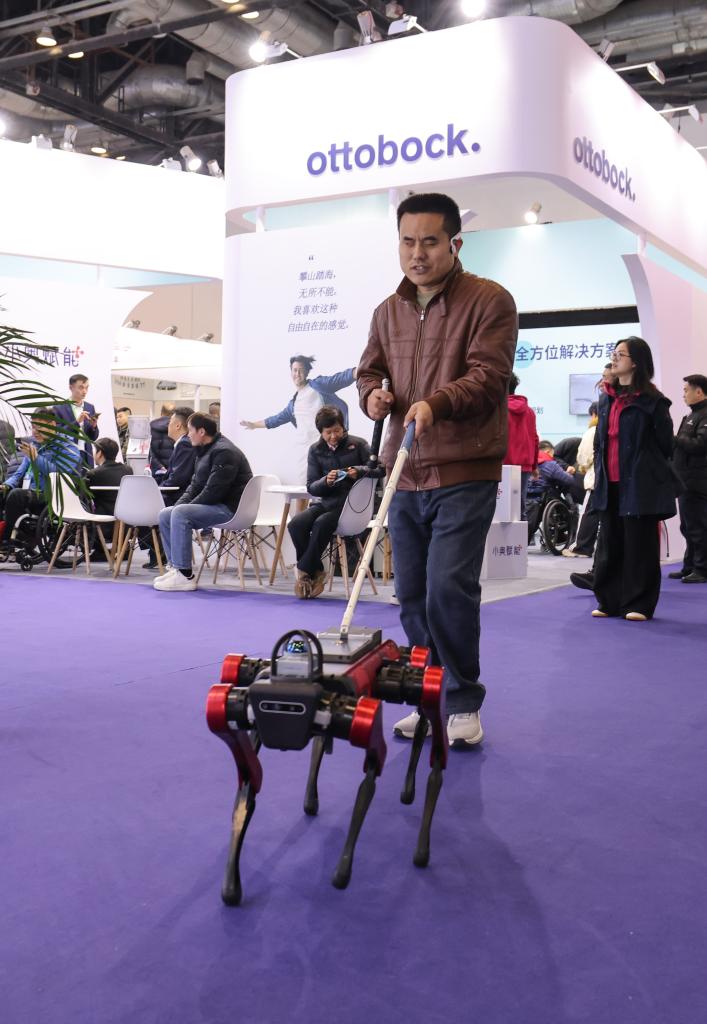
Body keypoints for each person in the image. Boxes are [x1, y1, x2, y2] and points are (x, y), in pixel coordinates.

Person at [357, 192, 517, 748]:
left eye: (429, 242)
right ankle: (429, 695)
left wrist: (436, 403)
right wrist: (372, 397)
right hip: (404, 470)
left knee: (449, 587)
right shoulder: (387, 311)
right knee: (411, 593)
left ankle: (463, 699)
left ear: (455, 244)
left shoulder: (490, 300)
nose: (416, 254)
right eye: (407, 242)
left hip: (464, 469)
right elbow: (368, 371)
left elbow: (488, 377)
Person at [591, 336, 676, 621]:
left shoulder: (653, 401)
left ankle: (638, 603)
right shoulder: (606, 399)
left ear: (636, 362)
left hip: (640, 484)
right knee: (610, 543)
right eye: (614, 353)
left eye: (621, 354)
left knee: (640, 546)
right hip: (610, 483)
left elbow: (666, 445)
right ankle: (609, 600)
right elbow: (600, 442)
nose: (614, 359)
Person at [287, 406, 385, 599]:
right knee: (296, 524)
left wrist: (359, 471)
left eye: (337, 431)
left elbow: (381, 469)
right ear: (321, 432)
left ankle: (304, 571)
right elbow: (311, 487)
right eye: (328, 432)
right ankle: (316, 570)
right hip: (327, 503)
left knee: (322, 523)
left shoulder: (358, 444)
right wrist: (326, 481)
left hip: (353, 506)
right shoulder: (315, 450)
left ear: (343, 427)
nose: (333, 436)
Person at [154, 413, 252, 592]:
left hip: (231, 509)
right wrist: (179, 506)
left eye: (190, 430)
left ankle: (185, 575)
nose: (188, 434)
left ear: (201, 432)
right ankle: (176, 568)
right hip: (218, 504)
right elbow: (195, 486)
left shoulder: (224, 452)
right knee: (166, 514)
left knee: (180, 513)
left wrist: (183, 509)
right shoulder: (204, 450)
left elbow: (213, 492)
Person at [240, 355, 358, 485]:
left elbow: (340, 379)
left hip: (324, 445)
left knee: (329, 482)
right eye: (295, 370)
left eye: (301, 370)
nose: (297, 373)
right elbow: (275, 420)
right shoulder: (293, 404)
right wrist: (253, 425)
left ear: (307, 372)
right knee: (305, 484)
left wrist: (360, 370)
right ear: (291, 372)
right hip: (304, 449)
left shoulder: (318, 385)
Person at [0, 411, 82, 551]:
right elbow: (19, 473)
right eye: (33, 427)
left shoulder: (68, 447)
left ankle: (6, 542)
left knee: (17, 495)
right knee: (4, 493)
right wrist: (6, 485)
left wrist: (36, 458)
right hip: (33, 493)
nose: (35, 431)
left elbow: (59, 474)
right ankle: (11, 537)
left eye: (39, 427)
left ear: (52, 425)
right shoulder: (35, 445)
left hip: (54, 495)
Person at [141, 407, 196, 569]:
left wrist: (159, 489)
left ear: (178, 425)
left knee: (145, 508)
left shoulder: (184, 444)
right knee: (146, 506)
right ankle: (160, 554)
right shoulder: (182, 444)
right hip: (177, 493)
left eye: (170, 422)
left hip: (179, 496)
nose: (167, 426)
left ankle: (163, 556)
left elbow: (178, 478)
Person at [670, 374, 707, 584]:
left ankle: (702, 569)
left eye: (686, 390)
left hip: (698, 480)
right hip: (686, 480)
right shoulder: (692, 415)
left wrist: (676, 439)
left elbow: (701, 445)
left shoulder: (705, 415)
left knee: (698, 527)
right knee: (688, 527)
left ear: (699, 392)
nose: (683, 395)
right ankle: (690, 566)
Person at [562, 403, 600, 559]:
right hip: (617, 479)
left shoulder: (593, 431)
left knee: (589, 513)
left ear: (594, 414)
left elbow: (583, 458)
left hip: (596, 478)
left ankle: (582, 548)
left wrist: (582, 467)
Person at [504, 372, 538, 520]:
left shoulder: (497, 409)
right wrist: (534, 466)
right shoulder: (529, 411)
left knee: (498, 511)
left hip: (501, 465)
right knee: (519, 510)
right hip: (524, 466)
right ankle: (520, 537)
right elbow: (535, 439)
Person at [53, 373, 99, 467]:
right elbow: (58, 434)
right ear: (71, 388)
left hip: (86, 454)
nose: (84, 391)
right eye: (81, 387)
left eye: (87, 388)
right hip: (68, 454)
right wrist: (77, 422)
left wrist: (94, 426)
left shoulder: (90, 407)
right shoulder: (59, 408)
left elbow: (93, 438)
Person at [148, 402, 176, 480]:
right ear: (174, 414)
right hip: (174, 470)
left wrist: (159, 466)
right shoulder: (178, 427)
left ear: (161, 412)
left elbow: (149, 452)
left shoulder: (150, 426)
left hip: (156, 471)